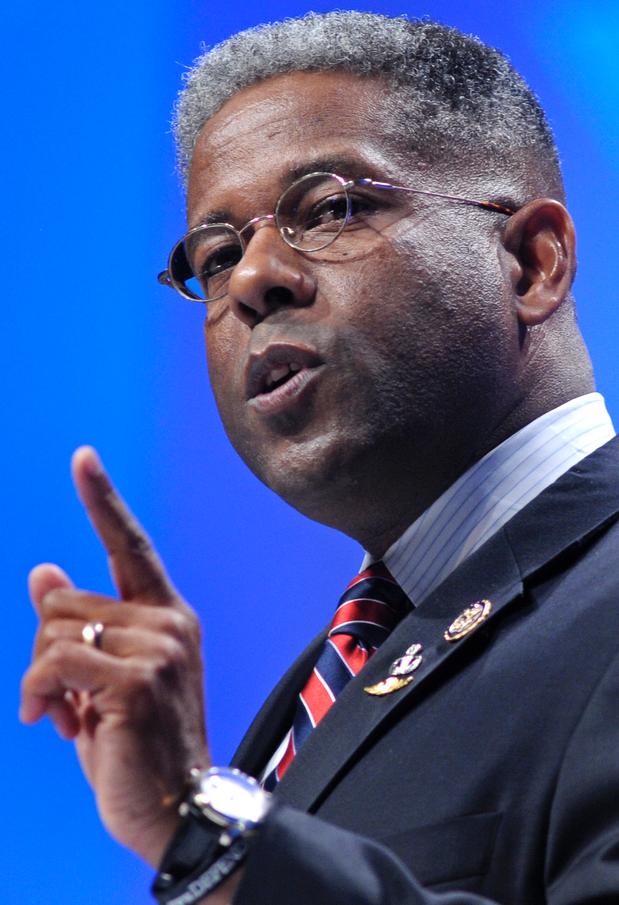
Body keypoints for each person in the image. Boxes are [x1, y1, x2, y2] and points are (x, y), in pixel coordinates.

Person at [20, 10, 619, 905]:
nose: (252, 279)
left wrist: (216, 840)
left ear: (531, 263)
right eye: (215, 255)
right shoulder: (324, 687)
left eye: (331, 208)